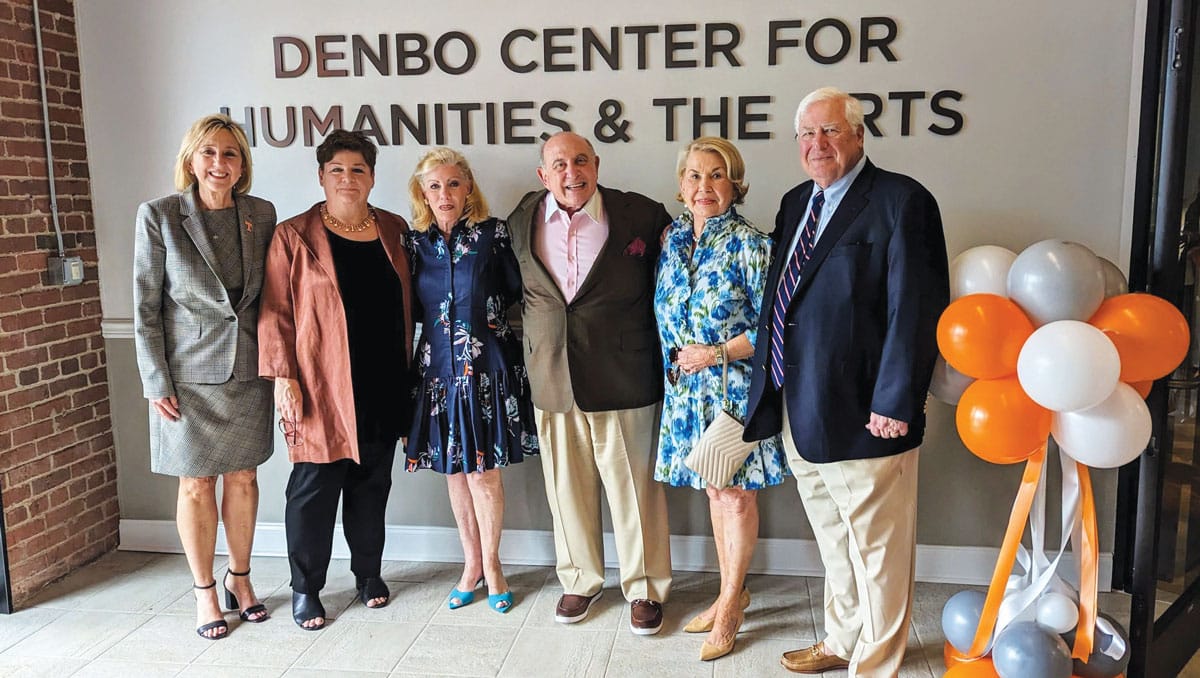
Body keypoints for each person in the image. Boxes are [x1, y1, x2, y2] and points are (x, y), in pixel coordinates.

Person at [743, 87, 949, 676]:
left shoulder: (902, 201)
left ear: (858, 135)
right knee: (835, 539)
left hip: (866, 412)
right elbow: (782, 302)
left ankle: (877, 662)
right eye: (806, 135)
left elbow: (917, 308)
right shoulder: (793, 203)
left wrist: (896, 399)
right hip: (798, 408)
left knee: (879, 551)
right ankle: (841, 639)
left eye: (829, 131)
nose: (817, 145)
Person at [506, 131, 673, 635]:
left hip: (625, 375)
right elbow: (517, 294)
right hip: (553, 376)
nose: (571, 172)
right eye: (559, 164)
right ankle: (580, 578)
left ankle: (645, 587)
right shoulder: (520, 220)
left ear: (597, 164)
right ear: (543, 174)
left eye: (580, 161)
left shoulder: (641, 214)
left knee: (635, 492)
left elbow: (669, 286)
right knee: (565, 488)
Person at [258, 130, 415, 631]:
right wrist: (283, 378)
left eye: (358, 170)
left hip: (384, 379)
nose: (348, 179)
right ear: (321, 176)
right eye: (337, 170)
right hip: (320, 384)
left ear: (372, 176)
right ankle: (306, 588)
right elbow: (276, 313)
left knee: (373, 484)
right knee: (313, 488)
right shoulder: (293, 235)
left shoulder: (394, 229)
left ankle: (368, 574)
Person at [133, 113, 276, 639]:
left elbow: (268, 298)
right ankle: (204, 592)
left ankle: (241, 580)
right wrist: (155, 380)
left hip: (248, 369)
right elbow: (145, 305)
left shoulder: (260, 215)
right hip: (188, 378)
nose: (220, 163)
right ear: (191, 159)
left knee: (245, 478)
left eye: (231, 154)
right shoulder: (161, 216)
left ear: (243, 164)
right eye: (210, 153)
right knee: (196, 484)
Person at [653, 137, 788, 660]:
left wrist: (711, 353)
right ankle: (729, 589)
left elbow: (772, 328)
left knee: (735, 496)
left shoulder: (753, 245)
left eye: (716, 175)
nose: (703, 186)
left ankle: (731, 604)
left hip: (732, 391)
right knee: (715, 492)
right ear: (681, 185)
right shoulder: (672, 243)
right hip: (687, 396)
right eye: (694, 175)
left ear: (734, 184)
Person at [404, 147, 538, 614]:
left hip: (488, 368)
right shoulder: (412, 243)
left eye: (454, 184)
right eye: (435, 185)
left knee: (483, 473)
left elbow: (524, 293)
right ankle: (471, 564)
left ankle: (495, 566)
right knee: (455, 472)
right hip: (436, 372)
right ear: (423, 192)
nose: (445, 193)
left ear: (468, 188)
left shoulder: (493, 235)